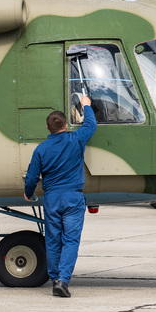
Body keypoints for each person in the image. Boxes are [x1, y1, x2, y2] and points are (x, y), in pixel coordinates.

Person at [24, 96, 97, 297]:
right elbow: (91, 125)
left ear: (47, 128)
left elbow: (31, 177)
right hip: (73, 198)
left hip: (52, 198)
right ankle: (63, 280)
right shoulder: (76, 139)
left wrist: (28, 193)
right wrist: (86, 106)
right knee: (71, 240)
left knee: (53, 240)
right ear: (66, 125)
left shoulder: (41, 149)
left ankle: (54, 277)